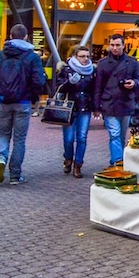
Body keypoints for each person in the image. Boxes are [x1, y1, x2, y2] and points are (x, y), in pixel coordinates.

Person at [0, 24, 46, 185]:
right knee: (19, 139)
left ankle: (1, 159)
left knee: (3, 134)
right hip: (23, 102)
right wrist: (33, 98)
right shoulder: (32, 57)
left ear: (10, 36)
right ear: (26, 37)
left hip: (2, 102)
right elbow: (38, 81)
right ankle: (15, 175)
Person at [94, 33, 139, 166]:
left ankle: (117, 160)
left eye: (117, 45)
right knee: (115, 133)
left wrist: (134, 83)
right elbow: (97, 86)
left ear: (123, 46)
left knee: (121, 135)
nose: (114, 48)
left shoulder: (132, 62)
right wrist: (96, 107)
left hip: (126, 101)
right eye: (112, 45)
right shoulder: (103, 64)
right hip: (109, 103)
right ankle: (118, 162)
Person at [56, 44, 96, 178]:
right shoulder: (66, 69)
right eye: (82, 56)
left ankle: (78, 164)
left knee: (82, 137)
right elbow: (59, 88)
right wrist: (69, 83)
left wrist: (96, 107)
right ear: (75, 56)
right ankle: (68, 158)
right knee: (68, 138)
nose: (85, 59)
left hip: (85, 107)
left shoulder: (92, 70)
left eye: (87, 56)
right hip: (69, 107)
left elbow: (95, 90)